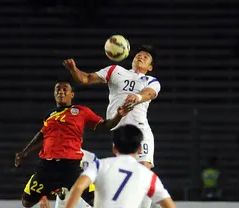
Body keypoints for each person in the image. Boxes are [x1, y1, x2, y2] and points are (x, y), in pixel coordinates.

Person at [63, 45, 160, 208]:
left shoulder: (151, 81)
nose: (140, 57)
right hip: (118, 131)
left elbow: (149, 93)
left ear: (150, 67)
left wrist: (137, 96)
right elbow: (85, 79)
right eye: (139, 54)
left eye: (146, 57)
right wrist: (73, 69)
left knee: (143, 171)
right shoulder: (115, 70)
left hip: (140, 130)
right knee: (126, 174)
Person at [15, 80, 132, 208]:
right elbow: (42, 135)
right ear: (54, 94)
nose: (61, 91)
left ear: (72, 94)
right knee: (26, 203)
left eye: (65, 89)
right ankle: (59, 189)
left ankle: (62, 188)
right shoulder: (49, 115)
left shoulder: (82, 111)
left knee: (96, 201)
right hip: (47, 166)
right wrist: (25, 151)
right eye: (58, 89)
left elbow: (104, 125)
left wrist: (118, 116)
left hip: (71, 166)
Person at [65, 124, 175, 208]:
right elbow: (168, 205)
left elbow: (78, 187)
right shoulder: (148, 176)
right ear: (140, 149)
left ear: (114, 148)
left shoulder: (99, 165)